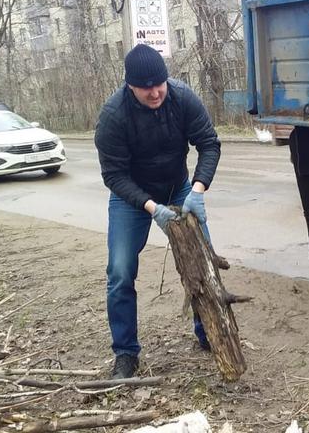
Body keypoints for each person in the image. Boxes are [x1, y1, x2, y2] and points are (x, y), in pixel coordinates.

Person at [94, 44, 221, 379]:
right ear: (130, 86)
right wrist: (152, 208)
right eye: (146, 87)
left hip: (179, 187)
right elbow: (113, 177)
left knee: (203, 261)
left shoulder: (181, 97)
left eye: (159, 84)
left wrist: (197, 190)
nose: (155, 92)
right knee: (120, 271)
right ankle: (125, 354)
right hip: (132, 197)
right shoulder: (113, 116)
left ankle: (209, 332)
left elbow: (209, 143)